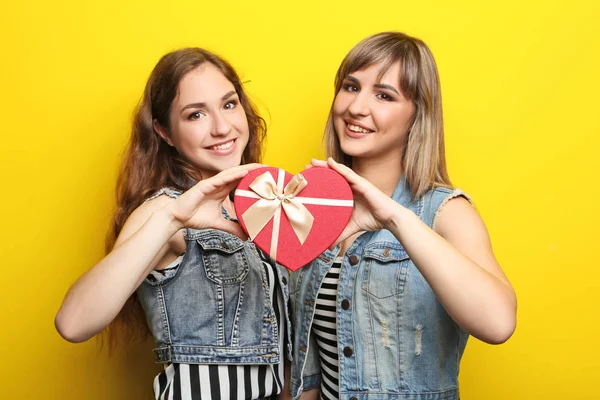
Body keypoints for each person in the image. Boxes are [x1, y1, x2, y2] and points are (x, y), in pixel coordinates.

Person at [289, 32, 517, 400]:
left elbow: (499, 323)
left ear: (417, 116)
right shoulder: (312, 212)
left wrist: (394, 216)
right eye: (351, 87)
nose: (357, 107)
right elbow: (304, 366)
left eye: (384, 95)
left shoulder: (444, 212)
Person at [55, 48, 292, 400]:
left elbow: (277, 351)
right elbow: (73, 323)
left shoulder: (259, 204)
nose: (222, 127)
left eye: (229, 104)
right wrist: (172, 219)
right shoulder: (164, 210)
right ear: (165, 132)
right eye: (195, 115)